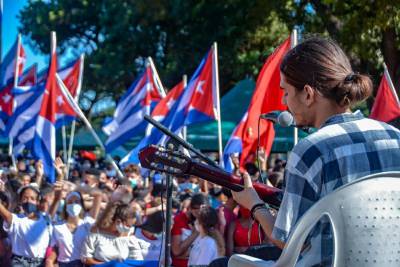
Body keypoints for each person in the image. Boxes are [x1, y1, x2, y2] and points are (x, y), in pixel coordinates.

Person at [231, 36, 400, 266]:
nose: (284, 102)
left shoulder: (310, 151)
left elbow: (289, 240)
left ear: (308, 94)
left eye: (286, 92)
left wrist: (255, 204)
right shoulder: (395, 137)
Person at [80, 186, 146, 265]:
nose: (129, 228)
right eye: (128, 225)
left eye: (131, 226)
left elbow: (138, 262)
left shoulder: (129, 237)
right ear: (118, 222)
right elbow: (86, 258)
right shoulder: (96, 232)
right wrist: (106, 265)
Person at [45, 185, 103, 267]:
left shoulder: (86, 223)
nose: (73, 204)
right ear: (65, 206)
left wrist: (82, 188)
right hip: (64, 264)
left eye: (77, 201)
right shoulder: (58, 226)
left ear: (81, 205)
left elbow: (98, 196)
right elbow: (55, 249)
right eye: (70, 202)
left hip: (82, 264)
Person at [0, 185, 52, 267]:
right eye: (25, 198)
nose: (28, 201)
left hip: (40, 263)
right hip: (19, 263)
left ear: (37, 202)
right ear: (20, 201)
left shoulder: (45, 219)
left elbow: (55, 203)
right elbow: (4, 213)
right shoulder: (15, 219)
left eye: (32, 198)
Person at [171, 193, 209, 267]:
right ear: (190, 208)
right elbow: (176, 252)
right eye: (195, 208)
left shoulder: (208, 219)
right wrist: (194, 234)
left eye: (203, 209)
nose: (199, 211)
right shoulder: (179, 220)